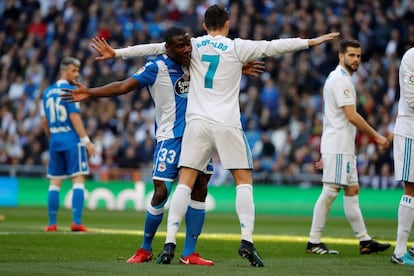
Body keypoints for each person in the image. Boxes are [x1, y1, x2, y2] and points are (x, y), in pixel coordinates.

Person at [102, 4, 340, 267]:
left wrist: (117, 53)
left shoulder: (194, 45)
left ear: (204, 25)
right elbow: (275, 46)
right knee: (243, 180)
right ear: (227, 23)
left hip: (197, 123)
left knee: (185, 181)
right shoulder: (238, 47)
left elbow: (155, 47)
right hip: (227, 123)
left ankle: (169, 243)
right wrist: (311, 41)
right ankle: (246, 240)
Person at [62, 27, 264, 265]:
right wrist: (91, 93)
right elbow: (125, 86)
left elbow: (217, 68)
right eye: (180, 46)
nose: (187, 49)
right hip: (169, 137)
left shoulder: (195, 63)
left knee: (200, 188)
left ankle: (189, 252)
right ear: (168, 48)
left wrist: (239, 68)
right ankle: (145, 247)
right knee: (161, 191)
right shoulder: (155, 67)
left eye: (188, 44)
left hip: (197, 135)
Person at [306, 39, 391, 255]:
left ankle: (364, 240)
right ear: (340, 56)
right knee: (330, 191)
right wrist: (377, 137)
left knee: (352, 190)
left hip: (343, 145)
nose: (356, 59)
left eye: (358, 56)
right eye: (351, 55)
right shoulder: (340, 80)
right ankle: (313, 241)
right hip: (338, 145)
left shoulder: (342, 78)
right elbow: (351, 115)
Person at [41, 57, 97, 232]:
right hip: (72, 139)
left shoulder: (47, 92)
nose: (77, 74)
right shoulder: (71, 90)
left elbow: (44, 120)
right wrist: (87, 141)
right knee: (78, 179)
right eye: (73, 71)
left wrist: (51, 138)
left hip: (55, 139)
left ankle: (51, 224)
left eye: (78, 71)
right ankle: (76, 222)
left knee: (55, 182)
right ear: (63, 71)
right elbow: (74, 117)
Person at [390, 46, 414, 266]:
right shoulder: (411, 57)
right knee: (412, 188)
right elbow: (411, 98)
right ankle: (399, 252)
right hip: (410, 132)